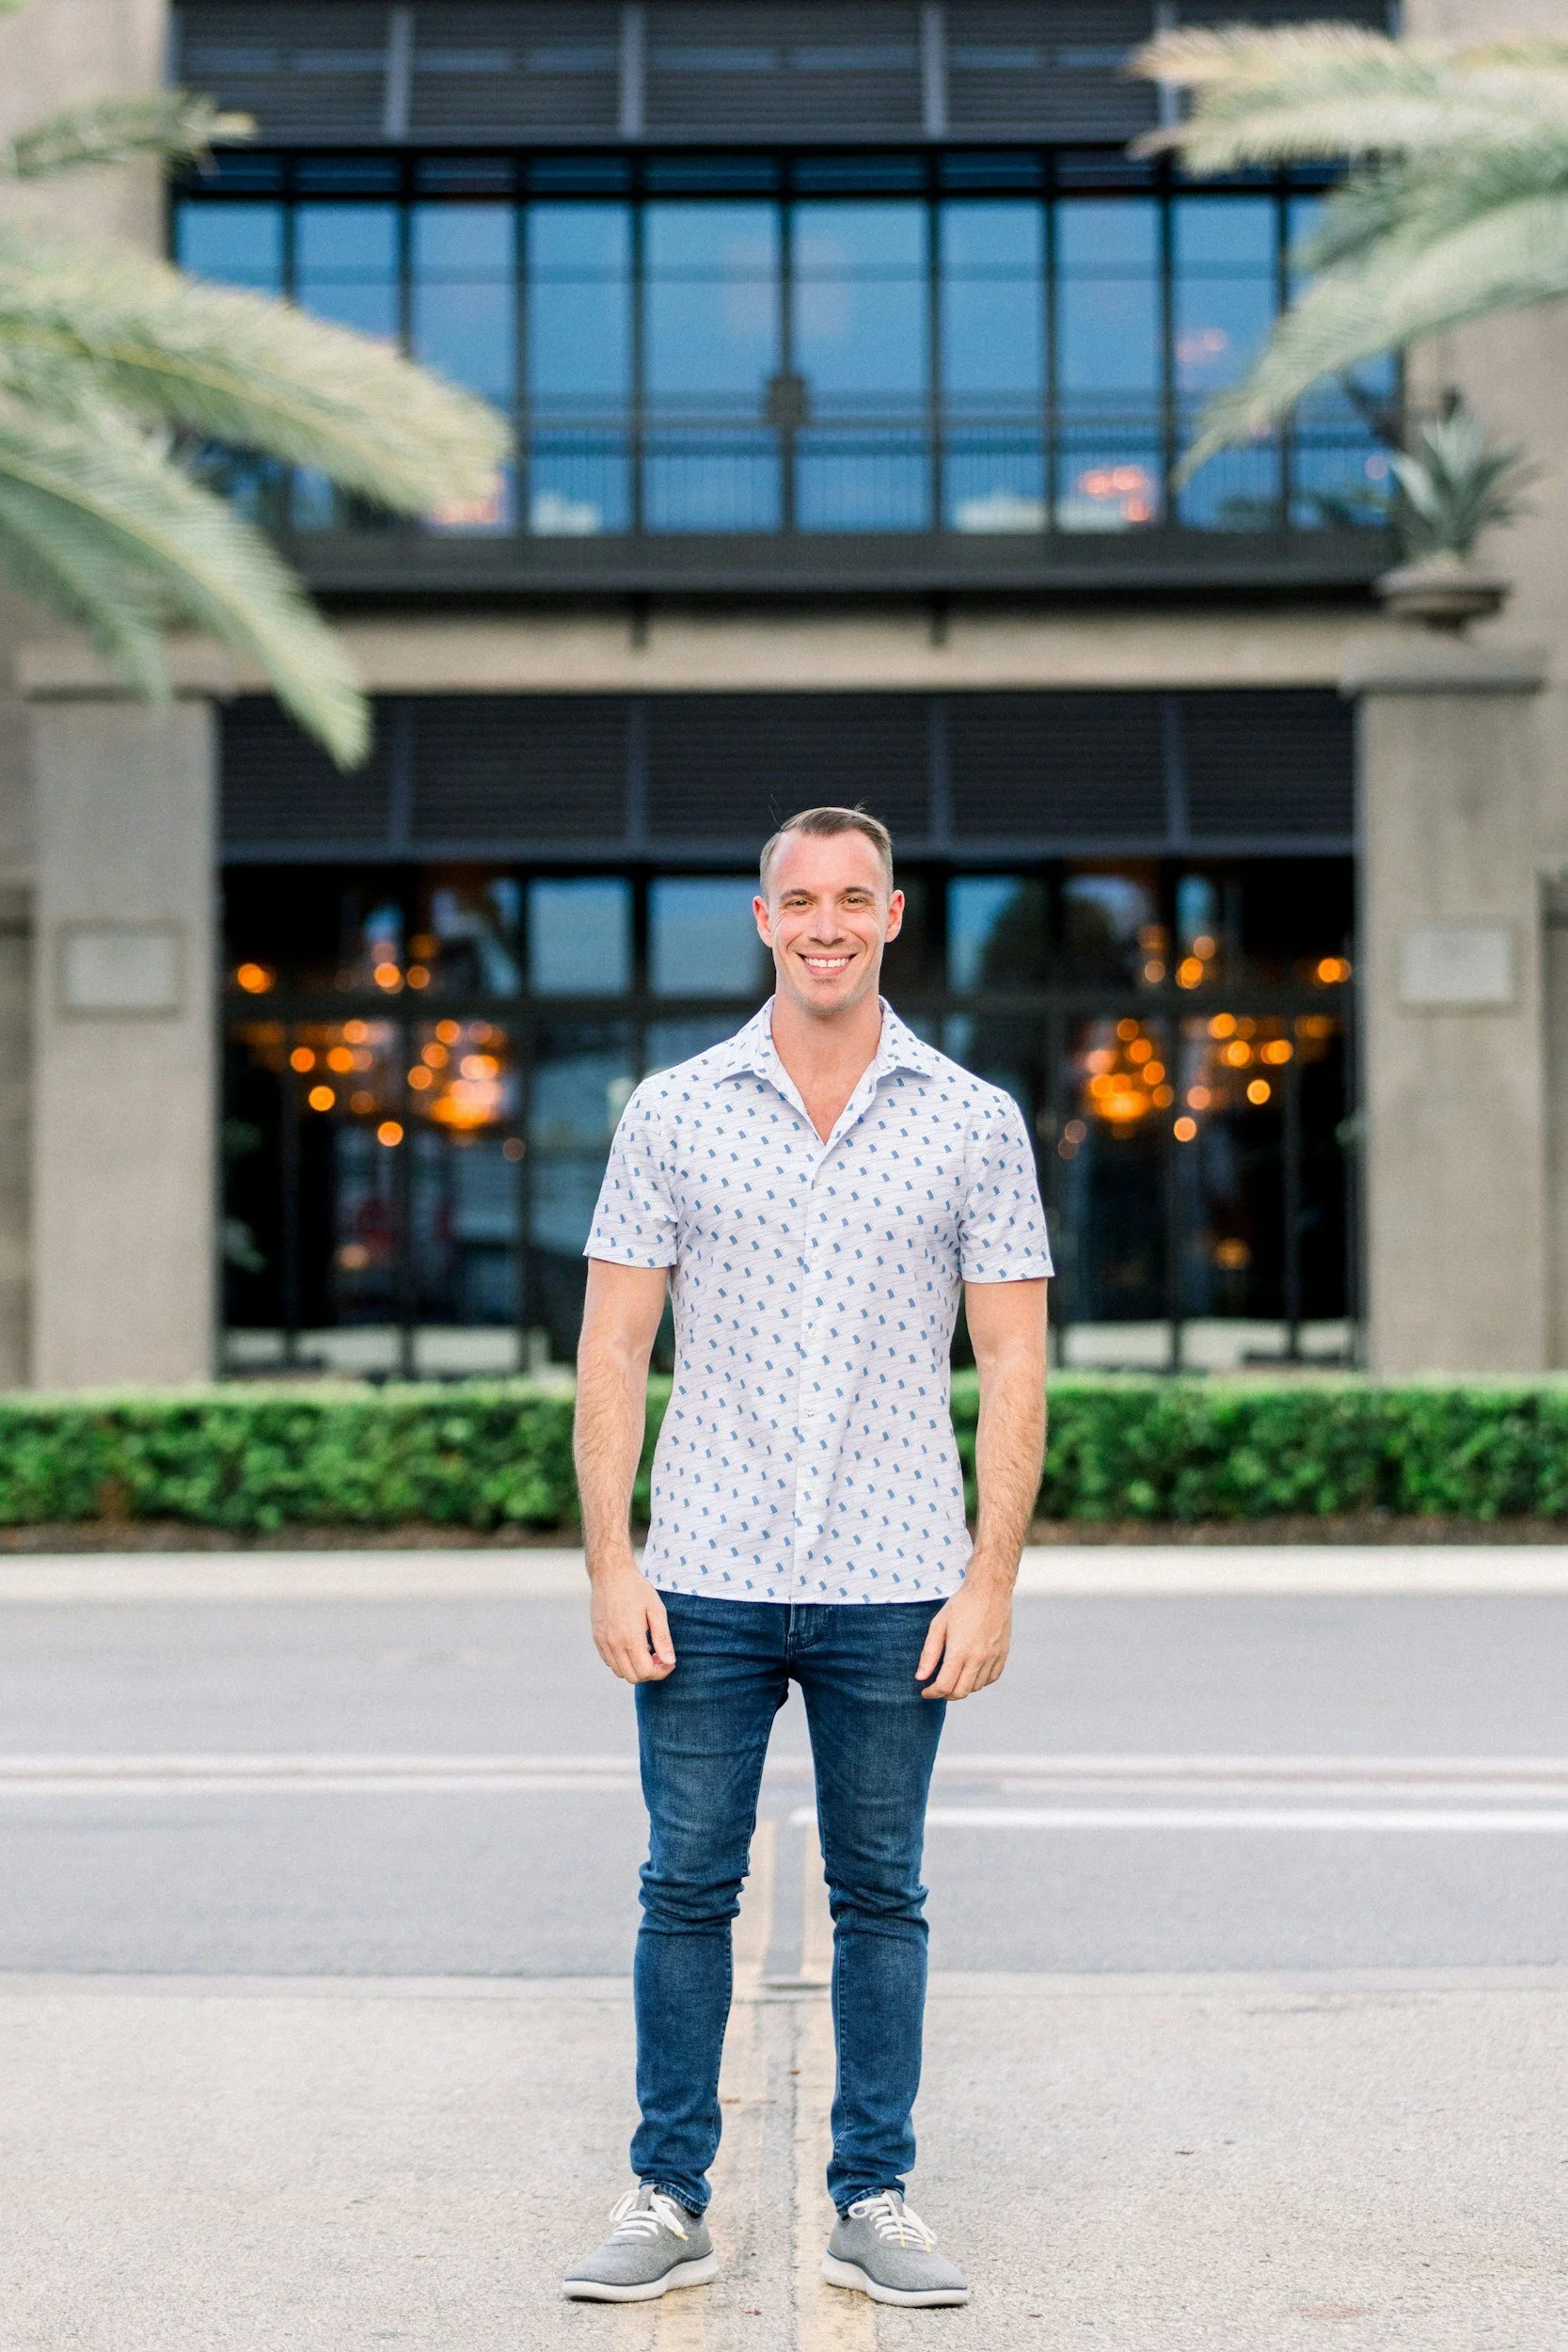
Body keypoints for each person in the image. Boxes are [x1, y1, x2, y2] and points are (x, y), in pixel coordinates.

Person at [563, 804, 1051, 2309]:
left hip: (897, 1574)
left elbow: (1013, 1357)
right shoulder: (672, 1111)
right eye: (800, 899)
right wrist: (609, 1564)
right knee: (684, 1889)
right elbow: (613, 1345)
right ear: (762, 918)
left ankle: (874, 2197)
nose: (826, 923)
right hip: (704, 1570)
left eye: (853, 898)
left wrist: (990, 1579)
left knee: (881, 1894)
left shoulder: (971, 1119)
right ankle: (668, 2194)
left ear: (891, 916)